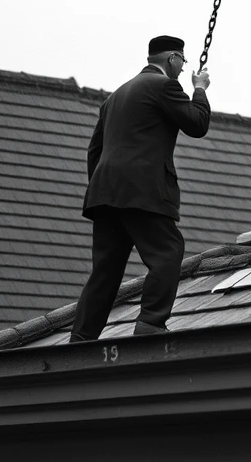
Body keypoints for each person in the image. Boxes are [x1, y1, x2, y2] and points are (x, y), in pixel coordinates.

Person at [70, 36, 211, 341]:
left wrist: (106, 189)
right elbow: (197, 124)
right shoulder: (165, 87)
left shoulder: (114, 97)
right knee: (167, 253)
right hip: (144, 190)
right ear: (173, 59)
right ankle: (150, 322)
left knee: (105, 272)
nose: (182, 67)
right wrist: (199, 88)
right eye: (182, 61)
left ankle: (81, 337)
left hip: (105, 194)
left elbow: (94, 151)